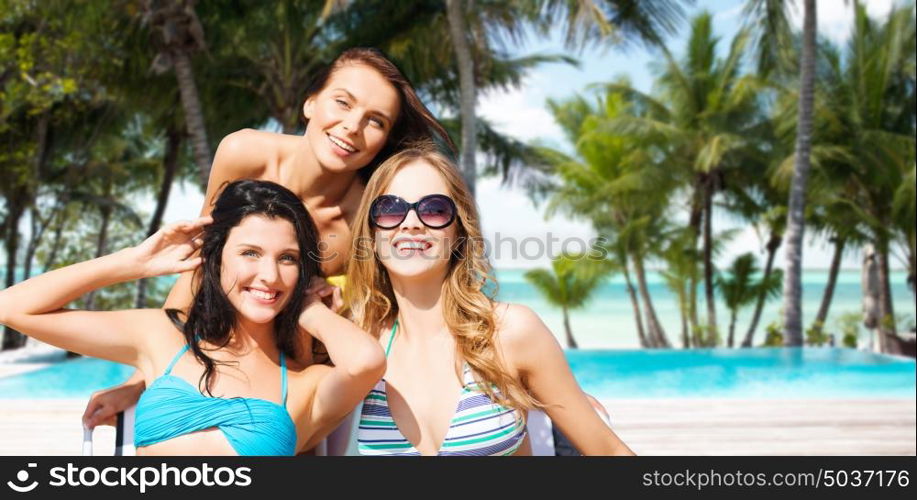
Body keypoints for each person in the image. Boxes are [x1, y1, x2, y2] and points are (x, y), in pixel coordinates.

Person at [81, 47, 455, 438]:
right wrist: (142, 378)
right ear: (311, 103)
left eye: (375, 121)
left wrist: (342, 307)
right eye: (342, 103)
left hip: (303, 370)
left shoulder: (367, 214)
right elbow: (202, 267)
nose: (351, 127)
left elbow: (396, 301)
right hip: (221, 354)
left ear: (384, 139)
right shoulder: (245, 153)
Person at [0, 180, 385, 455]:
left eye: (287, 259)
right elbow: (13, 308)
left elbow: (366, 362)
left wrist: (310, 308)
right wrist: (134, 262)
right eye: (250, 253)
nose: (269, 275)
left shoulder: (304, 384)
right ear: (216, 259)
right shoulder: (163, 336)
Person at [347, 144, 635, 455]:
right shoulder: (357, 346)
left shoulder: (508, 332)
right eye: (390, 209)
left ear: (459, 230)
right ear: (371, 232)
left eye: (434, 209)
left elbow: (609, 450)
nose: (412, 222)